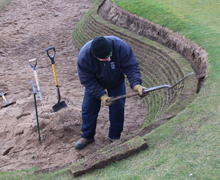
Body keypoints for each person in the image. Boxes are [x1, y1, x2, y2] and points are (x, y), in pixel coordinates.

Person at [75, 36, 146, 150]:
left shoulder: (121, 47)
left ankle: (115, 136)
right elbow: (87, 80)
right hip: (95, 82)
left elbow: (131, 66)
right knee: (88, 108)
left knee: (117, 107)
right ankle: (87, 136)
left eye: (110, 56)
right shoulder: (84, 57)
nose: (109, 59)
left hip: (116, 80)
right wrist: (101, 95)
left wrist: (136, 84)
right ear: (95, 56)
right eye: (104, 58)